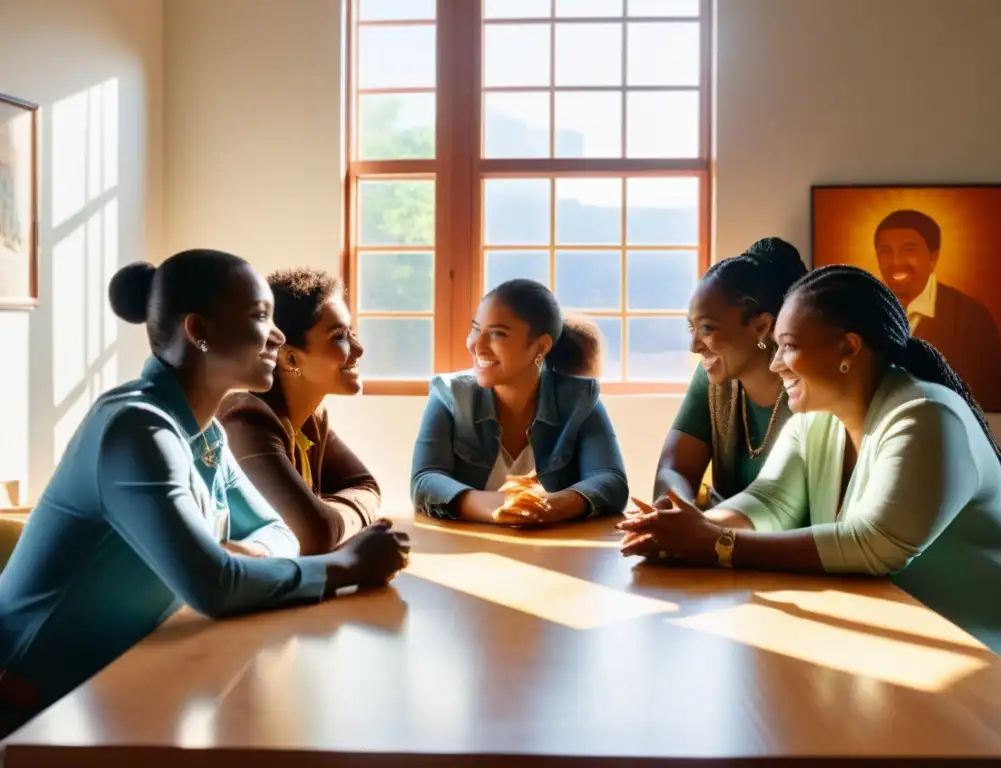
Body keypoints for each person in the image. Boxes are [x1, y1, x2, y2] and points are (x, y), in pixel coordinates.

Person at [0, 250, 410, 732]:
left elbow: (279, 532)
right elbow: (214, 587)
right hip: (31, 699)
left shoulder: (206, 431)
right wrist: (346, 566)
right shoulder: (136, 430)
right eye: (261, 316)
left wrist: (240, 558)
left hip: (116, 680)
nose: (278, 336)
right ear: (199, 331)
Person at [620, 265, 1001, 661]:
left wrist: (714, 543)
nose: (776, 363)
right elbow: (771, 501)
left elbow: (871, 545)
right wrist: (690, 529)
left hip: (996, 651)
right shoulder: (817, 419)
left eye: (789, 346)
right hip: (909, 639)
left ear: (848, 347)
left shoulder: (927, 415)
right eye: (776, 346)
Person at [411, 278, 628, 525]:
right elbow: (425, 480)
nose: (477, 346)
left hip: (556, 553)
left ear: (540, 346)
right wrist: (501, 507)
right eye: (475, 328)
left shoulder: (579, 399)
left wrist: (550, 506)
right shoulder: (449, 394)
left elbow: (611, 480)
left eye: (497, 333)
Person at [219, 268, 380, 554]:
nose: (358, 348)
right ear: (289, 356)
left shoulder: (312, 422)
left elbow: (366, 486)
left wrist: (328, 516)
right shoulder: (245, 421)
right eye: (339, 336)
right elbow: (314, 534)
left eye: (352, 333)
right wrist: (331, 518)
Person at [654, 238, 807, 508]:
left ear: (761, 327)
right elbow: (674, 469)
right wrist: (679, 506)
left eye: (708, 328)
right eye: (692, 328)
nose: (694, 346)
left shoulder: (812, 387)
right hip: (724, 542)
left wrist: (712, 526)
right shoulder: (713, 379)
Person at [874, 209, 1001, 412]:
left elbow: (996, 396)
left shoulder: (971, 316)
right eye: (885, 251)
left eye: (909, 250)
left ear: (933, 257)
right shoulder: (861, 309)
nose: (896, 261)